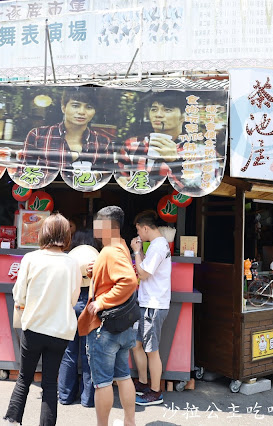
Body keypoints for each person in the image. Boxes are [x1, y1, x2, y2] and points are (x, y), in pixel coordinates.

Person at [4, 214, 81, 425]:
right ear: (66, 235)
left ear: (43, 233)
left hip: (34, 327)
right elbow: (73, 298)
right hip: (60, 331)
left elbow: (19, 294)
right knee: (50, 383)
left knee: (24, 378)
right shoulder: (72, 263)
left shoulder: (31, 258)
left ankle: (13, 419)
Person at [78, 206, 137, 426]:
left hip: (105, 328)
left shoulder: (110, 251)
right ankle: (129, 422)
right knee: (123, 377)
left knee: (102, 383)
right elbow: (117, 274)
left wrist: (102, 301)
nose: (95, 227)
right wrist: (97, 269)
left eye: (98, 223)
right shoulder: (119, 245)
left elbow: (128, 281)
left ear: (110, 227)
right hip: (122, 327)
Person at [17, 88, 113, 187]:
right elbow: (22, 172)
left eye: (89, 107)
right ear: (63, 108)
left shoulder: (103, 143)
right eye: (75, 105)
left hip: (85, 197)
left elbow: (108, 176)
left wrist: (97, 176)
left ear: (94, 112)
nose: (81, 112)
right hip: (43, 195)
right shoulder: (37, 135)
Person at [130, 210, 172, 406]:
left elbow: (144, 273)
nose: (138, 234)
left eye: (139, 229)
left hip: (153, 305)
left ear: (145, 228)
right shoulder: (156, 245)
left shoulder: (157, 246)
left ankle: (156, 392)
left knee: (151, 350)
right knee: (138, 345)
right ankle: (144, 383)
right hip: (147, 302)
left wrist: (137, 252)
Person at [58, 229, 99, 407]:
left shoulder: (67, 260)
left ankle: (65, 396)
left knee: (68, 353)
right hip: (90, 307)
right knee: (89, 354)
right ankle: (88, 399)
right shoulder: (98, 261)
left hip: (69, 305)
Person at [116, 92, 185, 190]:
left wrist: (175, 161)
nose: (158, 115)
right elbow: (119, 175)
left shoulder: (194, 149)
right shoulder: (133, 144)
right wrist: (122, 180)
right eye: (154, 109)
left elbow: (195, 186)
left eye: (167, 110)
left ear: (183, 116)